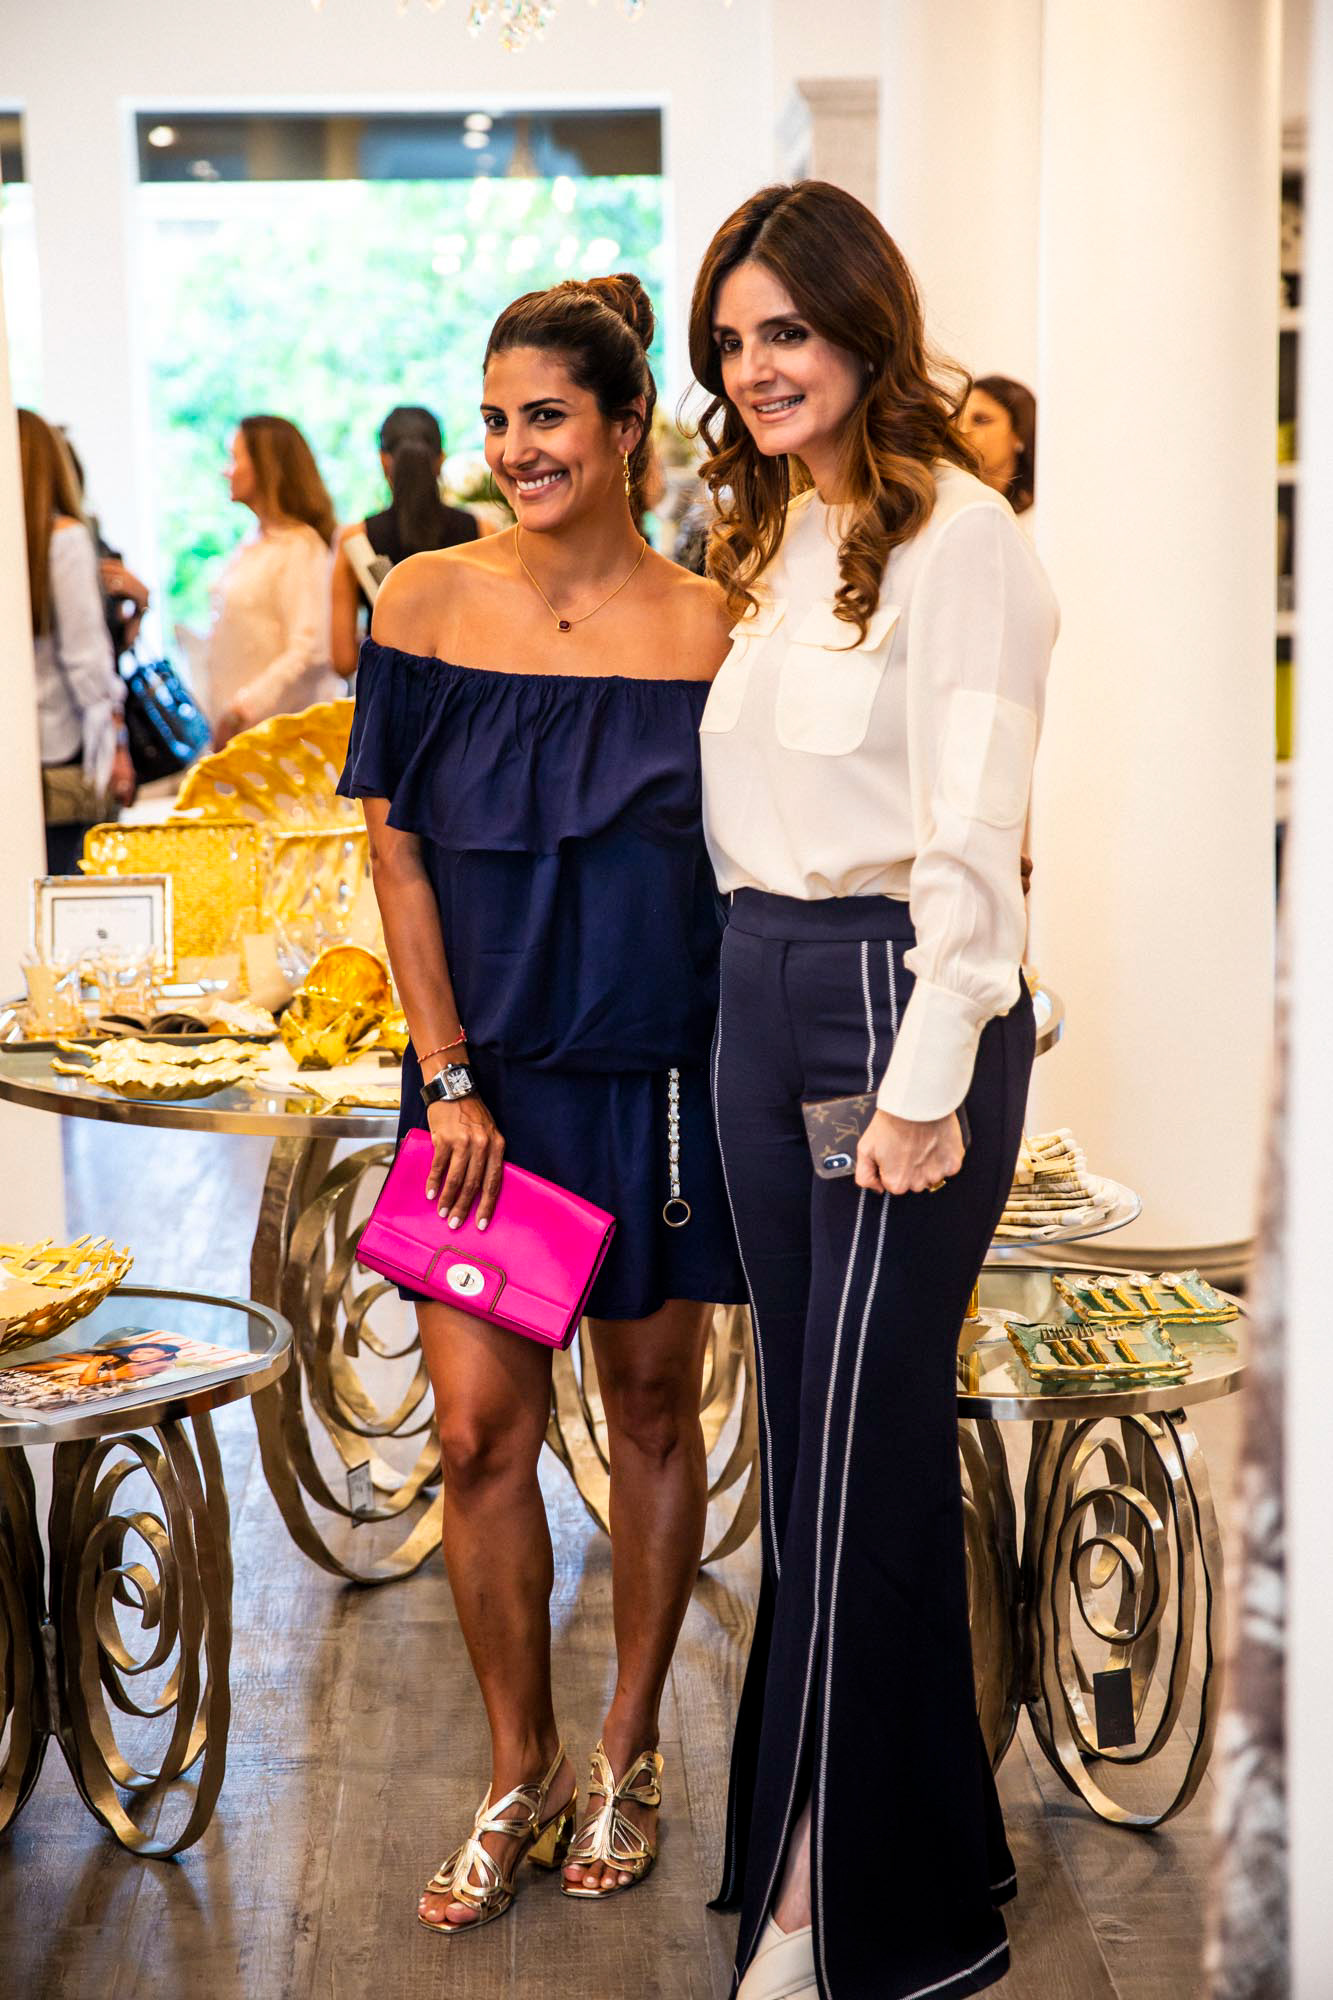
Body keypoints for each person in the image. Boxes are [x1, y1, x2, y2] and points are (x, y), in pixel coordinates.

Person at [338, 273, 747, 1937]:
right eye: (498, 419)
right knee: (474, 1435)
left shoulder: (714, 628)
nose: (515, 448)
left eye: (548, 417)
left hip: (658, 1088)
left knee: (648, 1416)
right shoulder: (425, 599)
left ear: (626, 425)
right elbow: (394, 853)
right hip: (479, 1101)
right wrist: (444, 1075)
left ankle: (628, 1748)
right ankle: (520, 1771)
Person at [689, 182, 1058, 2000]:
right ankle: (916, 1848)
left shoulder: (964, 542)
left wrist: (924, 1082)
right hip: (761, 996)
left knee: (859, 1449)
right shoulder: (779, 530)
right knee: (817, 1438)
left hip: (886, 1007)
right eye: (732, 339)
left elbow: (972, 837)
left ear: (861, 325)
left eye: (787, 329)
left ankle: (826, 1895)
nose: (756, 367)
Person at [18, 409, 136, 875]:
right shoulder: (62, 539)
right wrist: (116, 745)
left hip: (22, 750)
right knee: (69, 886)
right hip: (63, 746)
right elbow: (85, 659)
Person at [205, 414, 340, 746]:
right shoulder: (252, 542)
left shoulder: (299, 547)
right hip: (246, 738)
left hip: (283, 742)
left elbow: (309, 650)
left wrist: (242, 709)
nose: (226, 471)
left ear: (265, 466)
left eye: (235, 459)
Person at [329, 406, 481, 679]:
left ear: (383, 460)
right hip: (464, 689)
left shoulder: (356, 540)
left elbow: (343, 661)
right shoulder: (482, 531)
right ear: (441, 459)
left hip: (389, 692)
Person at [960, 373, 1036, 522]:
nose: (962, 430)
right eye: (957, 418)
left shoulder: (1040, 521)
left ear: (1019, 432)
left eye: (980, 420)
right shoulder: (944, 505)